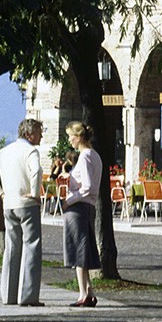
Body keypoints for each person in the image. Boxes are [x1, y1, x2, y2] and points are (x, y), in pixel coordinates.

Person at [0, 118, 45, 307]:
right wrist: (34, 193)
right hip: (27, 203)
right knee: (32, 246)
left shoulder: (5, 151)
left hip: (8, 204)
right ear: (29, 134)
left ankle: (8, 294)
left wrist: (0, 193)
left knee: (12, 247)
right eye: (39, 131)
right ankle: (28, 296)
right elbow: (37, 171)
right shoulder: (31, 151)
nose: (41, 135)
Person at [62, 120, 102, 307]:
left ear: (78, 137)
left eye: (71, 136)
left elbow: (86, 186)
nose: (69, 140)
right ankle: (89, 291)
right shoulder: (95, 156)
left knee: (79, 250)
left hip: (79, 207)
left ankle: (83, 293)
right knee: (83, 249)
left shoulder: (85, 157)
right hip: (88, 207)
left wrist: (69, 200)